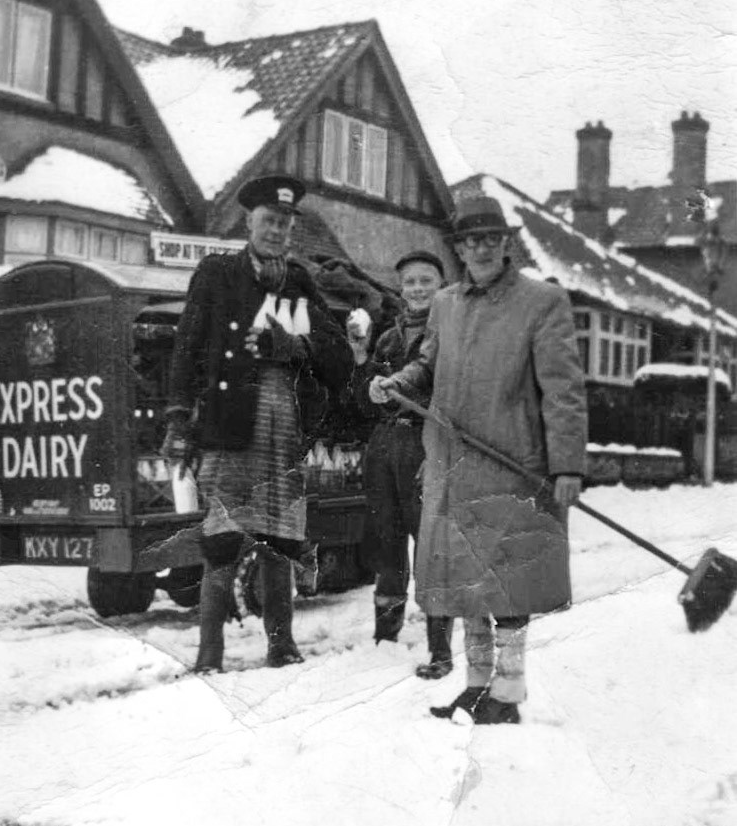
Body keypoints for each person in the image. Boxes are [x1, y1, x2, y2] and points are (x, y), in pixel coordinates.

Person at [370, 196, 587, 724]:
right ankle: (474, 686)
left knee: (508, 583)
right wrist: (396, 382)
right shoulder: (445, 304)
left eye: (491, 239)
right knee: (465, 581)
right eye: (471, 242)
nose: (481, 250)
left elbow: (563, 391)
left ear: (506, 244)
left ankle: (507, 694)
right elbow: (427, 363)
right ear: (460, 249)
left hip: (513, 463)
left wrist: (567, 466)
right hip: (453, 463)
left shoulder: (542, 302)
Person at [162, 175, 352, 671]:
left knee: (281, 540)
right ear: (249, 222)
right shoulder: (217, 274)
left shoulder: (298, 283)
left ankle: (281, 645)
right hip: (229, 426)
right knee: (222, 539)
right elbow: (186, 349)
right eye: (268, 220)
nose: (276, 230)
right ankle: (209, 654)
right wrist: (178, 418)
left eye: (284, 223)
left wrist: (293, 345)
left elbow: (338, 356)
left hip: (284, 427)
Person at [346, 250, 455, 678]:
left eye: (426, 280)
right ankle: (385, 644)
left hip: (427, 444)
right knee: (386, 543)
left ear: (442, 286)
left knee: (430, 545)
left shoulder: (451, 333)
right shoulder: (389, 339)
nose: (417, 289)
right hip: (385, 446)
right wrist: (361, 360)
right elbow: (364, 404)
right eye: (410, 282)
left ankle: (440, 651)